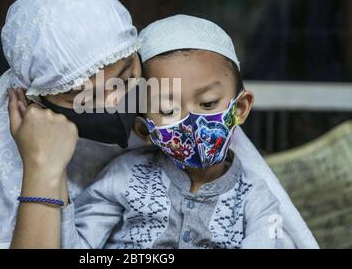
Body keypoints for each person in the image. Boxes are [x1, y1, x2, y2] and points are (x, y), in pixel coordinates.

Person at [57, 15, 319, 248]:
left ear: (239, 108)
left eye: (207, 104)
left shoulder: (254, 196)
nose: (192, 122)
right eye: (168, 109)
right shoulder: (123, 177)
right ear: (144, 129)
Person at [0, 0, 144, 249]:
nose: (113, 102)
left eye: (124, 78)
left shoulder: (174, 117)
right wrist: (42, 170)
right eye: (83, 95)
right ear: (35, 98)